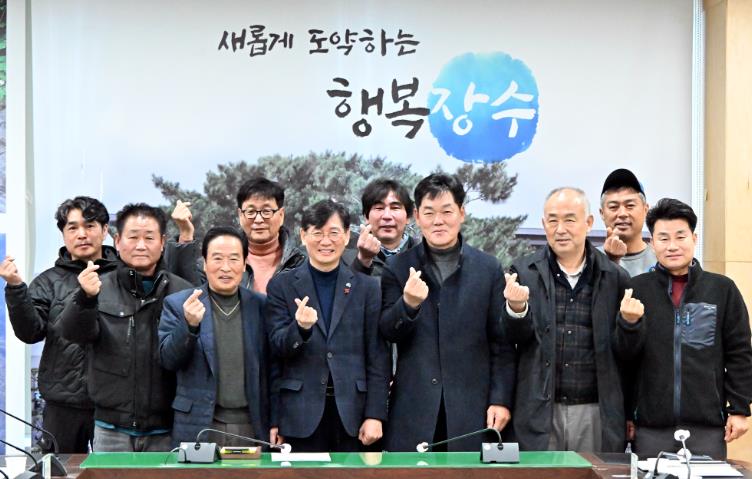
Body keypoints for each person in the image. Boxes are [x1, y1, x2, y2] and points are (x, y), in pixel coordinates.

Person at [380, 173, 516, 452]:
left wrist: (500, 399)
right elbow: (387, 331)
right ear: (417, 216)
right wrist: (408, 304)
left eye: (447, 211)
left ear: (462, 213)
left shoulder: (488, 268)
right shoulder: (398, 268)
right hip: (413, 409)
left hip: (472, 408)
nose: (438, 221)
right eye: (429, 212)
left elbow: (501, 343)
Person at [613, 198, 752, 459]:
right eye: (663, 238)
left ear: (694, 239)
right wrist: (629, 324)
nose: (673, 246)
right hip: (650, 428)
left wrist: (740, 408)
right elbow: (624, 359)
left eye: (680, 236)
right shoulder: (636, 289)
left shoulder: (722, 289)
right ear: (652, 243)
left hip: (708, 428)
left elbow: (740, 352)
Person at [502, 187, 631, 452]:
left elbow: (627, 352)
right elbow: (511, 341)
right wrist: (516, 308)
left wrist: (632, 324)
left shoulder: (614, 276)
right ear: (543, 224)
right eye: (552, 220)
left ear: (589, 222)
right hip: (539, 410)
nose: (560, 229)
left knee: (593, 471)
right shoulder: (523, 272)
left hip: (595, 411)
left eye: (569, 220)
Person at [59, 203, 192, 452]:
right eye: (133, 237)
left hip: (166, 429)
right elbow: (73, 334)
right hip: (111, 429)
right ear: (118, 241)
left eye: (149, 238)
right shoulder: (98, 287)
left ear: (163, 242)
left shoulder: (182, 291)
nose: (141, 245)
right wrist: (84, 298)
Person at [265, 200, 389, 452]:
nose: (325, 241)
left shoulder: (367, 288)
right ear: (303, 235)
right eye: (317, 233)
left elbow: (378, 355)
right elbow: (275, 351)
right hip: (299, 414)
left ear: (347, 236)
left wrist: (375, 414)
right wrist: (300, 329)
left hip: (353, 413)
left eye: (333, 233)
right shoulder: (282, 285)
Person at [1, 196, 118, 453]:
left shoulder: (124, 277)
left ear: (105, 230)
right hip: (63, 404)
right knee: (58, 469)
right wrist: (16, 287)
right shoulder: (48, 281)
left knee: (113, 470)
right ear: (63, 234)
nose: (82, 234)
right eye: (72, 227)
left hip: (115, 403)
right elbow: (30, 332)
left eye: (90, 226)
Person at [160, 226, 279, 448]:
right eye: (217, 258)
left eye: (234, 259)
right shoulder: (179, 304)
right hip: (199, 424)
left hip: (252, 424)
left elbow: (274, 368)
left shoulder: (261, 305)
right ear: (204, 263)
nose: (225, 267)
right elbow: (168, 360)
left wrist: (276, 420)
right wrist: (189, 326)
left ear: (244, 264)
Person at [169, 177, 306, 293]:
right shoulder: (218, 261)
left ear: (281, 215)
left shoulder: (301, 263)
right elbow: (186, 292)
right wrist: (185, 233)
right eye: (251, 212)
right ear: (240, 215)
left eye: (266, 211)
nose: (258, 219)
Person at [344, 178, 416, 277]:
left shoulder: (425, 254)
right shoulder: (345, 252)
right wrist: (363, 260)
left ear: (408, 217)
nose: (387, 216)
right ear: (366, 217)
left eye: (395, 208)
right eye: (379, 208)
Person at [599, 168, 656, 276]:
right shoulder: (588, 260)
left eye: (630, 205)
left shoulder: (662, 259)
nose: (622, 214)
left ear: (645, 210)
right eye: (613, 207)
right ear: (602, 213)